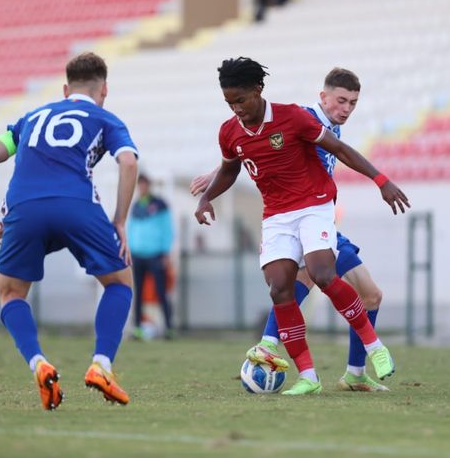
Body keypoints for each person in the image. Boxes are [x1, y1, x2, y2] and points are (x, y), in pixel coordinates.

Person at [194, 57, 410, 395]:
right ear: (322, 96)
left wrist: (380, 180)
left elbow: (338, 150)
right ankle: (311, 373)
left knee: (322, 274)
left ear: (257, 91)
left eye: (352, 103)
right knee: (282, 285)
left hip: (315, 206)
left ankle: (365, 349)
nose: (347, 108)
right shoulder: (258, 124)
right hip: (279, 214)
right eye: (341, 101)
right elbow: (233, 163)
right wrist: (208, 194)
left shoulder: (298, 119)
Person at [0, 52, 138, 410]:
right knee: (119, 282)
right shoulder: (106, 119)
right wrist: (120, 220)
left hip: (24, 208)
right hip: (77, 206)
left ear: (66, 89)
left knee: (12, 294)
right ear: (104, 90)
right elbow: (128, 161)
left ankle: (38, 362)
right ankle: (101, 365)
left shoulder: (30, 119)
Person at [128, 172, 175, 340]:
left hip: (156, 254)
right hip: (138, 255)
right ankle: (138, 328)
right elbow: (130, 229)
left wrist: (165, 251)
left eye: (144, 184)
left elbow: (167, 228)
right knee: (138, 293)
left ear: (148, 185)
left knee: (161, 291)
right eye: (140, 185)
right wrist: (129, 250)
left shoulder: (160, 204)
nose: (142, 187)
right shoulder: (135, 206)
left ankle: (169, 327)